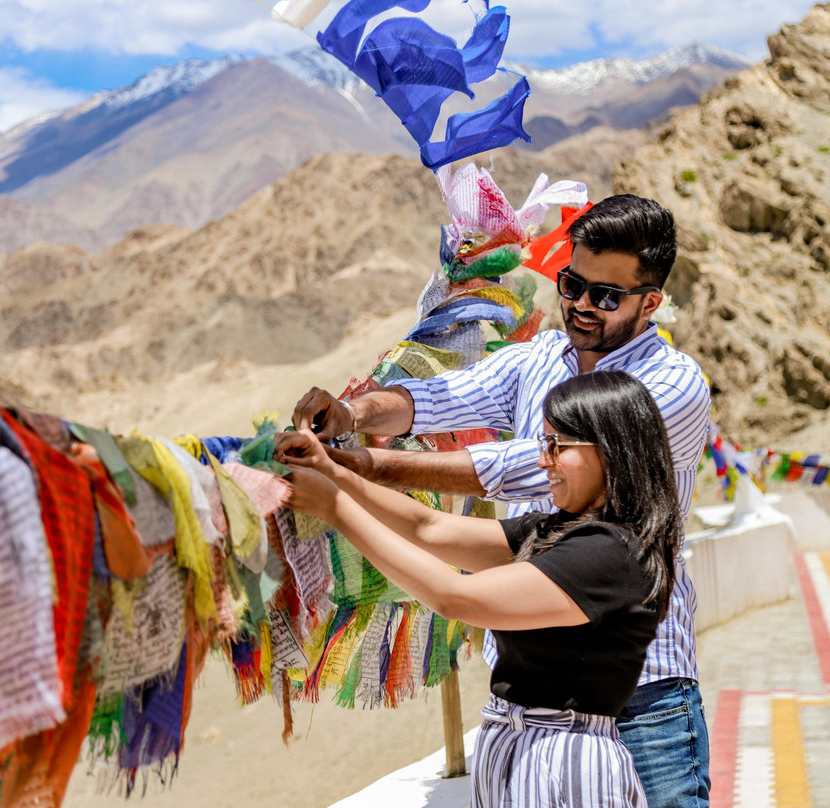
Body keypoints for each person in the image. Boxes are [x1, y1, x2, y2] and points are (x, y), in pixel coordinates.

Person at [292, 194, 712, 808]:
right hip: (525, 706)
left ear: (651, 302)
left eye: (605, 296)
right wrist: (351, 415)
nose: (581, 305)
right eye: (572, 285)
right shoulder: (539, 377)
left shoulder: (668, 389)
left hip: (641, 699)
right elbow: (433, 409)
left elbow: (511, 473)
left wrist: (360, 471)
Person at [277, 370, 679, 807]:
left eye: (557, 446)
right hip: (525, 750)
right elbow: (429, 527)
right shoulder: (561, 532)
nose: (544, 461)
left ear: (612, 451)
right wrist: (330, 469)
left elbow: (455, 597)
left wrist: (335, 507)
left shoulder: (608, 553)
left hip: (562, 762)